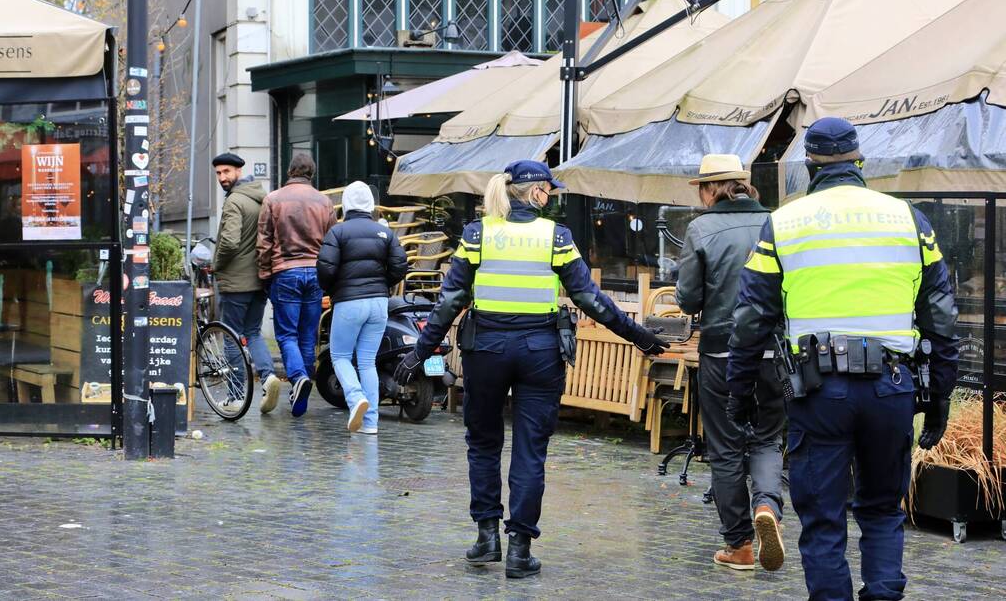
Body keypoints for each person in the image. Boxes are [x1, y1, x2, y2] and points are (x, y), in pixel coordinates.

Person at [393, 160, 666, 579]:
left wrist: (419, 352)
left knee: (483, 444)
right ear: (536, 191)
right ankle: (520, 550)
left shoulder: (478, 234)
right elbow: (589, 298)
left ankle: (487, 537)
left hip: (486, 349)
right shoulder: (556, 237)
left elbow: (450, 301)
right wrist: (638, 336)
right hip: (540, 351)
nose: (550, 197)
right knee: (530, 450)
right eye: (548, 190)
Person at [727, 117, 959, 601]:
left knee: (823, 519)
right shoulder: (908, 219)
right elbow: (940, 315)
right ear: (859, 161)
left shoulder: (784, 223)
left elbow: (750, 318)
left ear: (809, 165)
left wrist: (740, 390)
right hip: (890, 386)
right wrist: (940, 395)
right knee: (883, 510)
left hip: (818, 392)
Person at [674, 154, 785, 572]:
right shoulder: (775, 223)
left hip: (722, 351)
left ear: (710, 189)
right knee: (767, 439)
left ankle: (739, 545)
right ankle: (767, 506)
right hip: (773, 350)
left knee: (725, 448)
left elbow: (688, 299)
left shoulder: (701, 229)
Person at [316, 181, 408, 434]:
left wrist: (333, 289)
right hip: (379, 303)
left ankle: (356, 397)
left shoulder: (337, 232)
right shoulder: (385, 233)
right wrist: (383, 284)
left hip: (348, 302)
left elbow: (325, 269)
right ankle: (370, 423)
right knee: (367, 362)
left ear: (345, 204)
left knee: (340, 356)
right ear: (370, 204)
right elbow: (401, 265)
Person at [257, 153, 337, 417]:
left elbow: (264, 242)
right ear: (311, 173)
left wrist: (264, 274)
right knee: (307, 335)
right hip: (315, 272)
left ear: (290, 171)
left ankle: (298, 377)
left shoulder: (273, 199)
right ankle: (301, 386)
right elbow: (332, 242)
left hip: (285, 272)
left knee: (286, 335)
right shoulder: (324, 202)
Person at [210, 153, 275, 412]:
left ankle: (236, 396)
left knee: (232, 337)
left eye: (226, 171)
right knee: (253, 333)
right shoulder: (261, 198)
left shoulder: (235, 201)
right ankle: (268, 377)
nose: (222, 177)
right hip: (260, 280)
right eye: (218, 173)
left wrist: (217, 264)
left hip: (236, 282)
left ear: (239, 171)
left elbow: (229, 241)